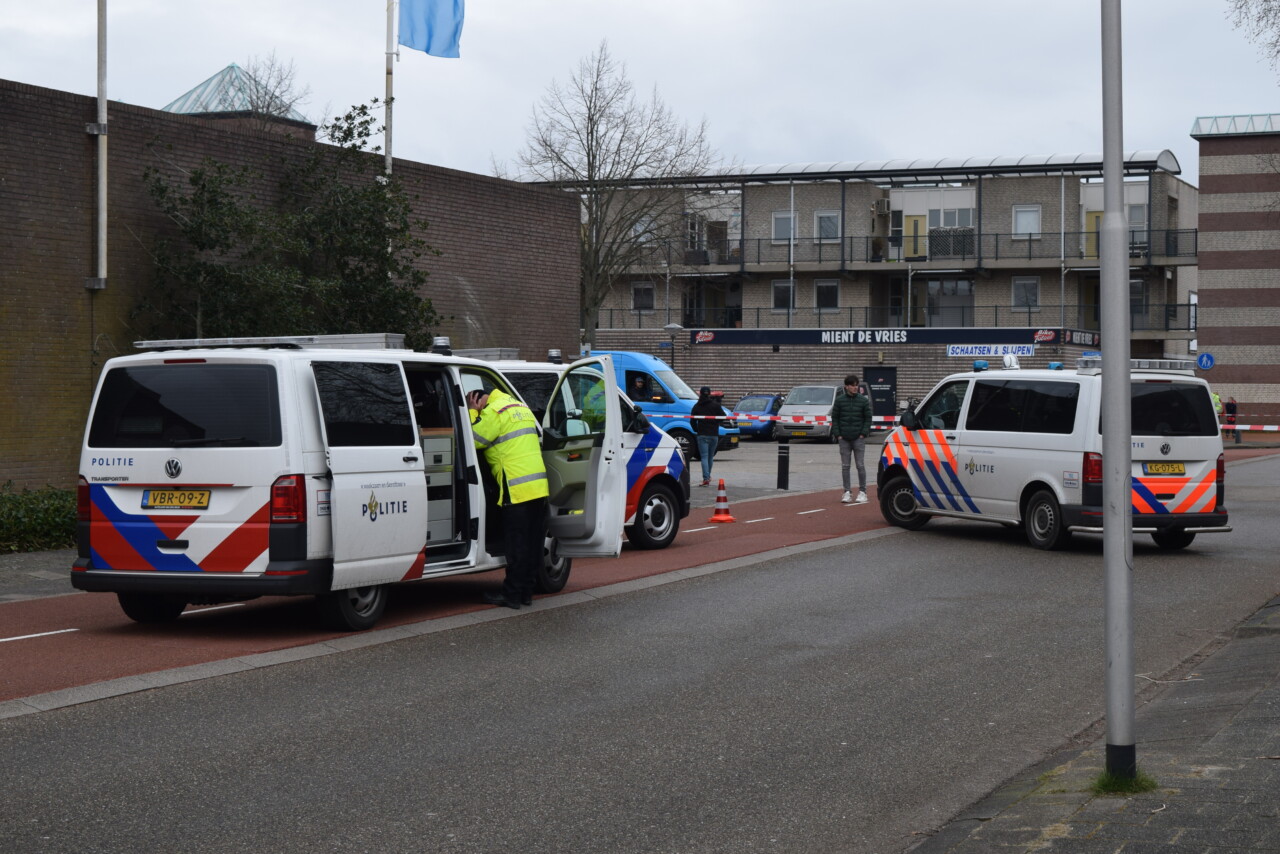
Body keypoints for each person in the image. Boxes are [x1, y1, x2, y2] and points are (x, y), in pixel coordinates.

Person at [467, 387, 549, 609]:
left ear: (477, 399)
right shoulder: (521, 407)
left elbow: (473, 440)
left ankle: (511, 595)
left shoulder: (494, 410)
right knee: (532, 544)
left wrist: (473, 413)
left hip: (516, 487)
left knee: (516, 545)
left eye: (471, 404)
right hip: (538, 486)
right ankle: (526, 593)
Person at [832, 373, 873, 504]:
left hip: (858, 438)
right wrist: (838, 434)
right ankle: (847, 492)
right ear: (846, 387)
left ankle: (863, 492)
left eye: (856, 385)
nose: (855, 388)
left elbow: (868, 418)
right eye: (852, 385)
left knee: (860, 465)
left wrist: (863, 433)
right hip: (844, 438)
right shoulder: (839, 401)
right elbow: (835, 418)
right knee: (845, 466)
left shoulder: (863, 401)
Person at [692, 385, 722, 486]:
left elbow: (692, 420)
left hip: (702, 434)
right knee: (710, 457)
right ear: (709, 394)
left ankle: (706, 478)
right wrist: (716, 423)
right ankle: (708, 476)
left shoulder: (697, 406)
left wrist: (696, 429)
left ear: (700, 393)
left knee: (704, 457)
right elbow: (723, 417)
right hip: (714, 434)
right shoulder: (716, 405)